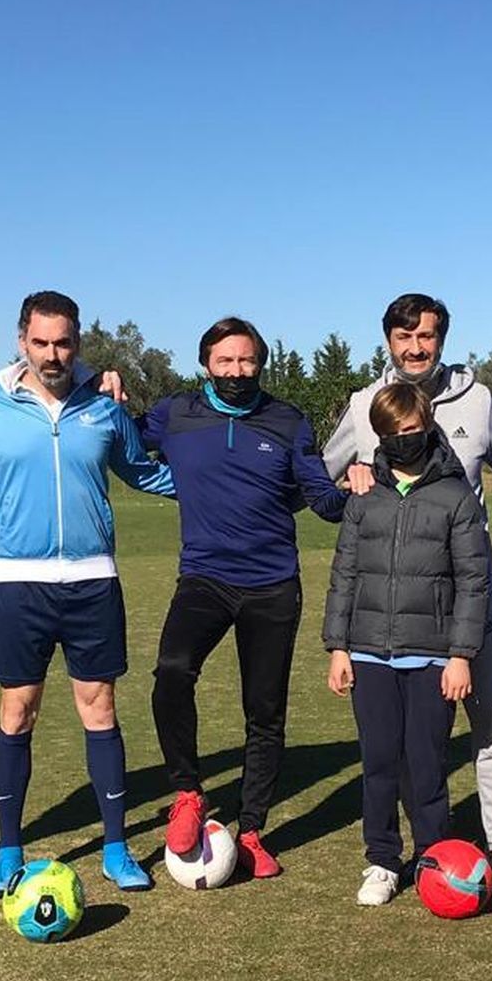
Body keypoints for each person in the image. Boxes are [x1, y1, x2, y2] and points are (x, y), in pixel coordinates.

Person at [0, 290, 174, 896]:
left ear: (78, 343)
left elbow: (144, 470)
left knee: (100, 709)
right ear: (21, 341)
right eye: (40, 342)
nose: (51, 354)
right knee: (17, 712)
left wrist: (224, 487)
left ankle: (117, 848)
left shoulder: (102, 404)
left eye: (63, 343)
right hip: (18, 584)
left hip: (93, 580)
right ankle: (8, 851)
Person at [322, 293, 492, 889]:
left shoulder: (477, 399)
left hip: (469, 596)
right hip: (391, 611)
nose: (416, 347)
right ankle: (399, 850)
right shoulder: (364, 403)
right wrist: (350, 478)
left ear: (441, 339)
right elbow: (323, 482)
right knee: (400, 745)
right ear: (388, 341)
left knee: (491, 722)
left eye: (426, 336)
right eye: (404, 337)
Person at [137, 318, 349, 877]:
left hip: (273, 584)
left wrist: (357, 489)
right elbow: (118, 438)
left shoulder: (288, 421)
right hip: (205, 577)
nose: (237, 371)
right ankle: (188, 793)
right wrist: (99, 387)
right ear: (206, 364)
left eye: (247, 360)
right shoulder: (174, 414)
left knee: (265, 710)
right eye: (225, 361)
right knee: (172, 672)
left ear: (261, 364)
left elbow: (322, 500)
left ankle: (252, 831)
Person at [323, 383, 489, 905]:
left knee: (426, 762)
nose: (402, 439)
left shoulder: (455, 495)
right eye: (391, 432)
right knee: (378, 762)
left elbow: (473, 581)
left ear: (428, 427)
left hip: (433, 655)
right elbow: (345, 573)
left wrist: (460, 656)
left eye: (411, 430)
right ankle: (382, 859)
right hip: (368, 652)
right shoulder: (364, 495)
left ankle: (434, 857)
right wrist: (338, 647)